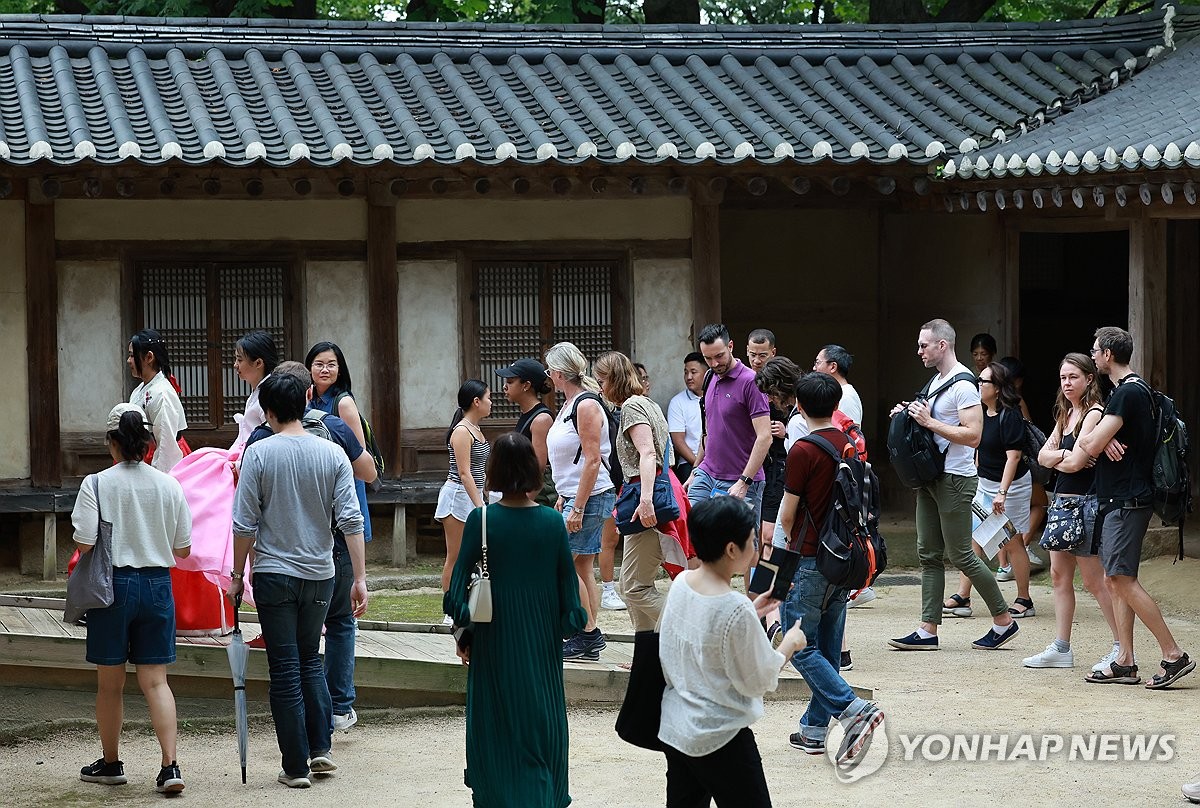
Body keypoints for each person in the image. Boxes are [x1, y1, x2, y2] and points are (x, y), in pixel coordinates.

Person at [229, 372, 367, 788]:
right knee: (312, 659)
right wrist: (359, 577)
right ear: (306, 401)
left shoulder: (260, 453)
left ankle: (295, 766)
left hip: (273, 573)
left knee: (285, 667)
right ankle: (320, 747)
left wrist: (237, 575)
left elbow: (243, 524)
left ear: (268, 411)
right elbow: (350, 519)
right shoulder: (332, 454)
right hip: (322, 574)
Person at [444, 432, 587, 808]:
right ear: (533, 470)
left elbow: (458, 589)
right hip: (541, 640)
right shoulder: (552, 523)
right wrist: (564, 623)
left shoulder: (482, 520)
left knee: (496, 720)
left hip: (494, 637)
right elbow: (570, 598)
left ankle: (497, 796)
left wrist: (464, 631)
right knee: (540, 719)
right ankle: (542, 795)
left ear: (493, 472)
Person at [73, 403, 192, 794]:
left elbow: (85, 542)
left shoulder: (96, 484)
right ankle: (170, 767)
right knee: (156, 682)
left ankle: (111, 763)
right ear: (147, 442)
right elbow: (183, 550)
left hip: (113, 587)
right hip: (158, 585)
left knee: (111, 684)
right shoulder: (169, 484)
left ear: (111, 442)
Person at [657, 495, 806, 807]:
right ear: (731, 549)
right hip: (720, 734)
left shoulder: (683, 582)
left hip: (677, 726)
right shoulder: (733, 606)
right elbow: (757, 679)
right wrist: (789, 645)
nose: (755, 549)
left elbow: (701, 636)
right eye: (751, 541)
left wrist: (752, 611)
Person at [888, 319, 1017, 651]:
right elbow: (935, 424)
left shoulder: (963, 384)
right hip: (931, 477)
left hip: (955, 479)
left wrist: (928, 421)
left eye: (923, 345)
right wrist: (908, 415)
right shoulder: (936, 381)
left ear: (941, 345)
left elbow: (974, 435)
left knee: (962, 554)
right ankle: (927, 629)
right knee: (927, 552)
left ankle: (1003, 621)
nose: (919, 351)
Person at [777, 373, 886, 760]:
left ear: (799, 407)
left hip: (809, 557)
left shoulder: (802, 450)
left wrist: (780, 562)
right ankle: (813, 729)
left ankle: (853, 709)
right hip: (845, 559)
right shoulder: (850, 445)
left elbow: (788, 514)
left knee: (798, 646)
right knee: (826, 644)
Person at [1080, 327, 1193, 688]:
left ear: (1109, 354)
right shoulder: (1134, 391)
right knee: (1116, 581)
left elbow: (1088, 446)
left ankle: (1173, 654)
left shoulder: (1126, 393)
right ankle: (1125, 661)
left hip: (1127, 500)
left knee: (1120, 579)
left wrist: (1100, 433)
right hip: (1125, 498)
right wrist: (1106, 436)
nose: (1093, 355)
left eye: (1096, 351)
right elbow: (1100, 441)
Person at [168, 331, 277, 636]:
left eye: (240, 359)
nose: (235, 365)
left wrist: (238, 465)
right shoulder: (259, 390)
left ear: (258, 362)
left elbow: (263, 439)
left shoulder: (267, 394)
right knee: (190, 480)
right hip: (238, 460)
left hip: (247, 466)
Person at [1024, 353, 1120, 669]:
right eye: (1063, 377)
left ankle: (1122, 647)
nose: (1066, 383)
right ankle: (1061, 647)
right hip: (1061, 501)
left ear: (1089, 379)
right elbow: (1041, 456)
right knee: (1058, 575)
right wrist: (1064, 452)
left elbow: (1078, 464)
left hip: (1085, 502)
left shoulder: (1093, 413)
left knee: (1094, 580)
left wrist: (1060, 456)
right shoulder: (1066, 414)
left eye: (1073, 377)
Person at [942, 362, 1035, 619]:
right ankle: (963, 595)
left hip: (1012, 486)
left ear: (997, 388)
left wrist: (1002, 493)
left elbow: (1013, 457)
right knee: (974, 537)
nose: (979, 385)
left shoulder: (1011, 414)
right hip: (985, 484)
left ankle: (1024, 599)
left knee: (1012, 540)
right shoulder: (981, 413)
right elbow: (978, 451)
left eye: (984, 382)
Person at [594, 350, 676, 631]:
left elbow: (648, 453)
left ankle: (692, 630)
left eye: (601, 381)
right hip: (645, 497)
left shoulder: (632, 407)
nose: (600, 388)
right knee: (636, 586)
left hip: (644, 498)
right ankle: (645, 657)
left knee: (633, 587)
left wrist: (646, 500)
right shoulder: (648, 403)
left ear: (613, 380)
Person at [688, 324, 772, 590]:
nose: (714, 363)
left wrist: (744, 481)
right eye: (708, 358)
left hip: (741, 479)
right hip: (706, 473)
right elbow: (708, 431)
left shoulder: (751, 382)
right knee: (694, 540)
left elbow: (764, 437)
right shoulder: (711, 377)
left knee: (749, 551)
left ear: (732, 347)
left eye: (719, 356)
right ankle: (704, 601)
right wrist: (695, 469)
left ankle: (758, 614)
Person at [546, 341, 615, 661]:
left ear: (559, 374)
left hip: (590, 495)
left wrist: (578, 505)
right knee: (582, 565)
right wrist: (565, 495)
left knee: (564, 563)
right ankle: (586, 631)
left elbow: (592, 460)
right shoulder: (571, 403)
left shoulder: (585, 405)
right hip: (577, 493)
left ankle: (586, 633)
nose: (548, 376)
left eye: (549, 371)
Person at [306, 342, 373, 543]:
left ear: (339, 369)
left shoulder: (343, 403)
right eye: (319, 364)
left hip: (343, 484)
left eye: (331, 364)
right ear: (309, 368)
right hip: (317, 483)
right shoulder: (308, 399)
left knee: (344, 547)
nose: (325, 370)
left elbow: (359, 453)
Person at [435, 380, 492, 608]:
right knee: (455, 556)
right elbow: (464, 472)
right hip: (458, 495)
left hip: (474, 494)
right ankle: (451, 607)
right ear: (476, 402)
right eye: (488, 398)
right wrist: (480, 506)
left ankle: (467, 601)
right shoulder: (461, 431)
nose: (491, 402)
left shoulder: (476, 429)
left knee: (472, 555)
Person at [997, 355, 1046, 578]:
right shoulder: (1016, 402)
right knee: (1041, 503)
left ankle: (1003, 565)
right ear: (1016, 380)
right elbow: (1027, 433)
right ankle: (1022, 546)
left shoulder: (987, 403)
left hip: (992, 468)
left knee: (997, 516)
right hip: (1015, 466)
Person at [747, 329, 788, 555]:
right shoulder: (743, 380)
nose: (756, 360)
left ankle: (769, 585)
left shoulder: (787, 384)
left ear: (773, 352)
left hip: (779, 464)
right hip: (750, 463)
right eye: (752, 354)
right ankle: (758, 585)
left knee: (770, 534)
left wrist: (787, 431)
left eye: (762, 355)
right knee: (754, 531)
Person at [127, 329, 189, 474]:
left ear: (149, 357)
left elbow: (166, 444)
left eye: (132, 355)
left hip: (160, 457)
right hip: (145, 454)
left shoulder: (161, 393)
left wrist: (158, 479)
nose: (128, 361)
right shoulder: (141, 389)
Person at [667, 352, 705, 482]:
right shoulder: (677, 402)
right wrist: (699, 465)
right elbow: (678, 442)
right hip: (690, 463)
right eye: (686, 372)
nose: (689, 377)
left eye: (693, 372)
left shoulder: (717, 396)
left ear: (707, 372)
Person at [813, 344, 863, 424]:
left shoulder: (846, 397)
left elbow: (851, 434)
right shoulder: (836, 394)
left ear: (833, 367)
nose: (814, 368)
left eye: (817, 362)